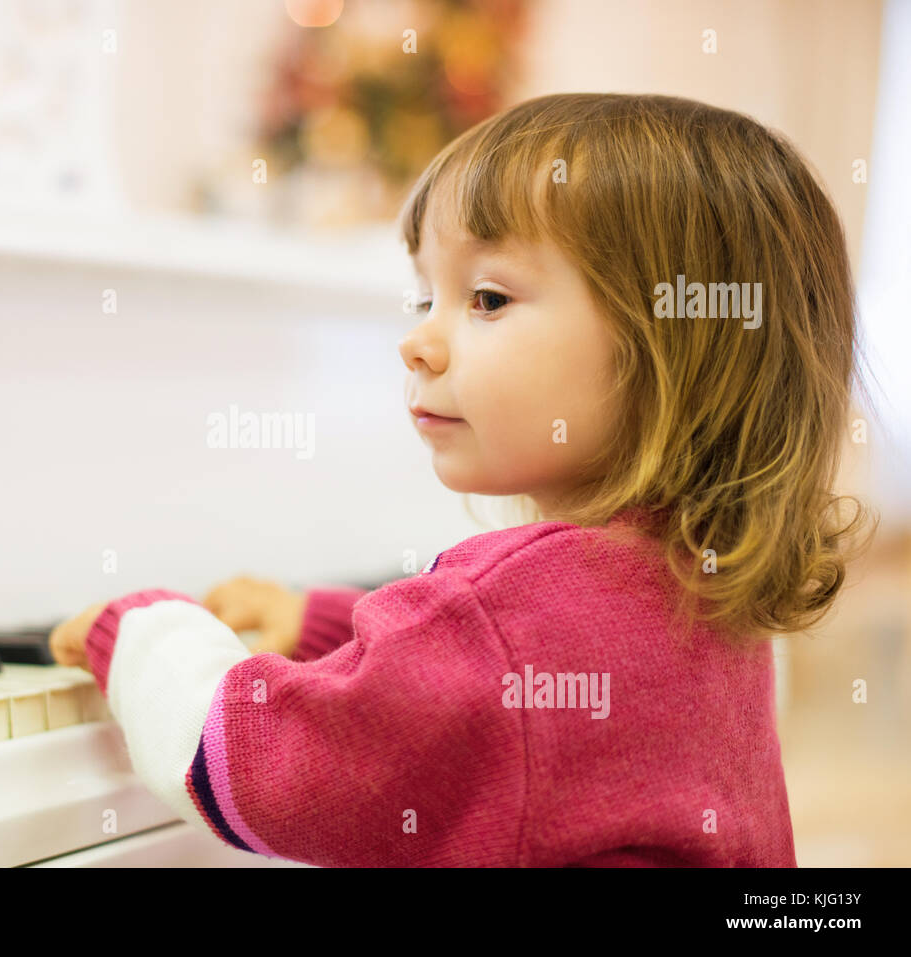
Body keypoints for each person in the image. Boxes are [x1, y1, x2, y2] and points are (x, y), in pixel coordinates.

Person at [49, 93, 871, 867]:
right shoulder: (699, 573)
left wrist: (147, 635)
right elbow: (488, 688)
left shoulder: (517, 612)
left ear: (673, 354)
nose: (418, 343)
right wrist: (322, 621)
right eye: (423, 297)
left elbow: (261, 768)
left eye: (485, 297)